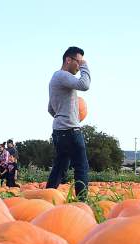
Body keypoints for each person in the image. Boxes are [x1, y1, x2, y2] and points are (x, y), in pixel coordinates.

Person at [46, 46, 91, 199]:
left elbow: (50, 108)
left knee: (60, 167)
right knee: (81, 167)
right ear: (68, 60)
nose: (79, 66)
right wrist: (86, 65)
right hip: (71, 131)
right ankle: (82, 203)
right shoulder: (62, 75)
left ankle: (47, 196)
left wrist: (63, 117)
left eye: (81, 63)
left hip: (59, 131)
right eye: (78, 62)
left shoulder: (56, 78)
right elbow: (84, 85)